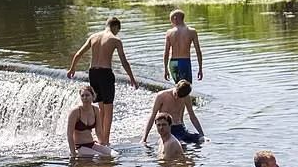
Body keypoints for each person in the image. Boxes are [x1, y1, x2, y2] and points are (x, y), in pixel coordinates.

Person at [67, 16, 138, 145]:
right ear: (116, 27)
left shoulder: (93, 37)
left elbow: (78, 54)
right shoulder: (115, 39)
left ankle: (100, 137)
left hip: (93, 73)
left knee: (100, 107)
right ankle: (105, 141)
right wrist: (132, 78)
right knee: (108, 108)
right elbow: (124, 61)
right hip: (105, 74)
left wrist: (72, 69)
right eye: (117, 30)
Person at [141, 80, 204, 145]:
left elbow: (192, 116)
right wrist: (144, 138)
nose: (176, 98)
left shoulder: (186, 97)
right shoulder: (161, 96)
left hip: (180, 128)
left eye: (180, 97)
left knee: (202, 140)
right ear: (176, 87)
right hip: (166, 128)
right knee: (178, 144)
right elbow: (152, 116)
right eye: (176, 94)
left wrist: (202, 134)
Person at [67, 85, 116, 158]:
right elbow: (69, 134)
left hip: (91, 144)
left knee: (114, 154)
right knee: (101, 157)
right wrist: (73, 153)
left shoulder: (95, 110)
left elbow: (98, 130)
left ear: (93, 96)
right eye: (82, 96)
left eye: (87, 95)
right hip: (79, 146)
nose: (85, 98)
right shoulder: (75, 112)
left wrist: (102, 144)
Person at [164, 9, 203, 83]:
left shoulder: (169, 33)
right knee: (186, 88)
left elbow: (166, 53)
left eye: (171, 20)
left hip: (173, 63)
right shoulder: (192, 32)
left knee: (178, 87)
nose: (171, 23)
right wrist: (200, 68)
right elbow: (198, 51)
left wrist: (166, 69)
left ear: (175, 18)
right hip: (185, 62)